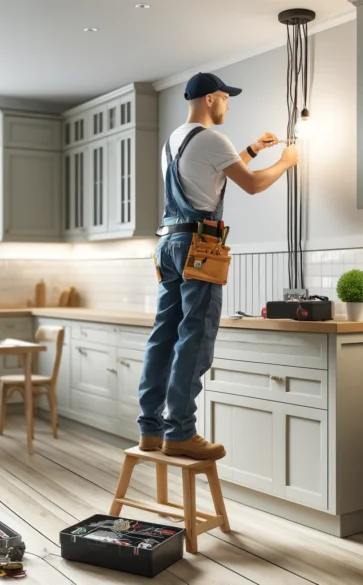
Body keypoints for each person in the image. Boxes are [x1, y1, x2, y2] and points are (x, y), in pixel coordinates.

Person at [136, 72, 299, 460]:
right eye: (226, 98)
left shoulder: (173, 141)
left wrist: (253, 150)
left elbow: (211, 175)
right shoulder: (212, 137)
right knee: (196, 334)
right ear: (210, 99)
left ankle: (151, 429)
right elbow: (254, 185)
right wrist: (287, 163)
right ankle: (181, 432)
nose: (228, 105)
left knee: (164, 335)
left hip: (169, 243)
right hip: (199, 246)